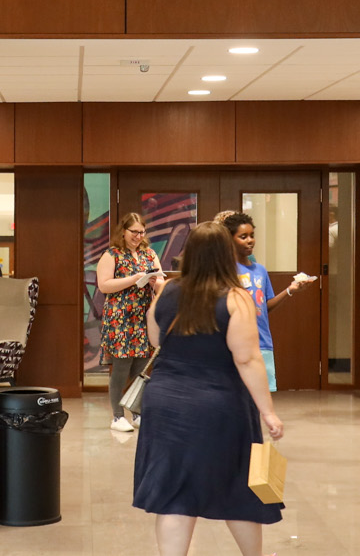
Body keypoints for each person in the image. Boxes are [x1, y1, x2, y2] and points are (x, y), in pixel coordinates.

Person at [133, 222, 282, 556]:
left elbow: (156, 339)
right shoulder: (235, 298)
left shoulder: (168, 291)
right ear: (227, 254)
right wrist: (268, 412)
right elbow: (247, 360)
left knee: (173, 493)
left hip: (165, 402)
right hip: (218, 404)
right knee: (239, 486)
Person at [220, 210, 308, 393]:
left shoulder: (260, 270)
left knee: (260, 394)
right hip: (234, 343)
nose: (249, 240)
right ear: (230, 239)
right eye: (243, 236)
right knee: (236, 393)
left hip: (262, 341)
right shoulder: (225, 270)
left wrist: (290, 290)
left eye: (252, 235)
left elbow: (265, 307)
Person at [96, 212, 165, 433]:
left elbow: (161, 284)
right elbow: (104, 285)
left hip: (144, 316)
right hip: (120, 317)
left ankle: (137, 413)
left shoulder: (149, 254)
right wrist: (134, 279)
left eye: (141, 232)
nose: (138, 236)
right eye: (133, 232)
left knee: (142, 366)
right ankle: (117, 416)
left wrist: (155, 281)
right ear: (123, 232)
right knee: (121, 366)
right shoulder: (112, 254)